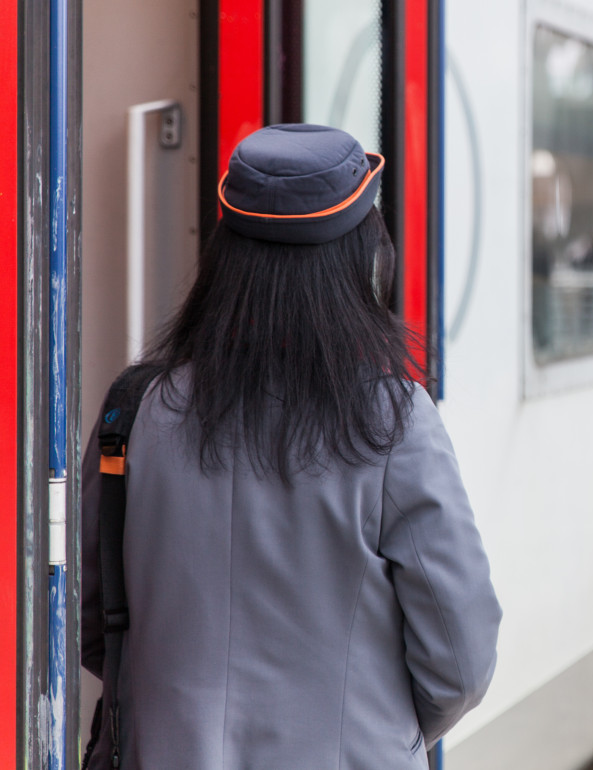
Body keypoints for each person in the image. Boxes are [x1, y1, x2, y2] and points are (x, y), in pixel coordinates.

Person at [80, 125, 501, 768]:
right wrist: (371, 727)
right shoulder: (394, 423)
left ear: (223, 259)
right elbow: (461, 660)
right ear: (364, 261)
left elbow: (92, 623)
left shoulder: (136, 410)